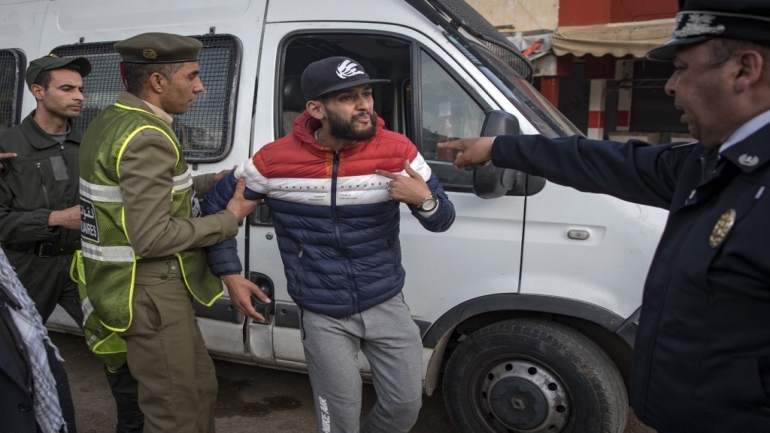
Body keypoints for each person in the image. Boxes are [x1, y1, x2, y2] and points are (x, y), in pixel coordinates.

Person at [439, 1, 770, 432]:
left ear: (744, 70)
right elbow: (612, 162)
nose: (670, 86)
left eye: (683, 67)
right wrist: (499, 149)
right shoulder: (714, 162)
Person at [202, 56, 456, 433]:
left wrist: (425, 200)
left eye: (367, 94)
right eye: (348, 98)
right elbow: (216, 207)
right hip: (322, 312)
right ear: (316, 109)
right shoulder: (274, 161)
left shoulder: (398, 151)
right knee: (338, 419)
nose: (365, 105)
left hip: (385, 301)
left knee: (404, 407)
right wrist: (229, 274)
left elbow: (442, 219)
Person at [77, 33, 260, 433]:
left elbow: (156, 193)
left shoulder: (113, 120)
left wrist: (215, 179)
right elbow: (152, 237)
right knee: (175, 409)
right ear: (158, 82)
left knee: (198, 389)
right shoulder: (147, 136)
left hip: (143, 288)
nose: (200, 87)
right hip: (151, 289)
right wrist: (230, 217)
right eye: (192, 76)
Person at [0, 54, 144, 432]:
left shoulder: (92, 139)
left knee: (120, 351)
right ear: (37, 91)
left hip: (86, 264)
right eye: (67, 89)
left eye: (81, 89)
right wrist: (53, 219)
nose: (79, 96)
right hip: (28, 267)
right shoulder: (8, 148)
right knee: (16, 357)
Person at [0, 248, 77, 433]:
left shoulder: (7, 278)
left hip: (70, 262)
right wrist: (52, 220)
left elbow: (34, 342)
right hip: (32, 261)